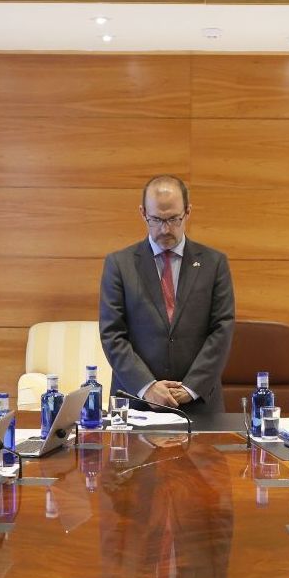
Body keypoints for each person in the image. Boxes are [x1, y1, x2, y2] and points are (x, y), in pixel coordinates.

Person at [100, 175, 235, 410]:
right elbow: (112, 334)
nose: (165, 229)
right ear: (143, 213)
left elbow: (222, 330)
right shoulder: (119, 264)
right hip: (136, 403)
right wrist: (147, 387)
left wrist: (190, 387)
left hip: (199, 402)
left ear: (188, 212)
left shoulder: (214, 263)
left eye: (173, 219)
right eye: (156, 220)